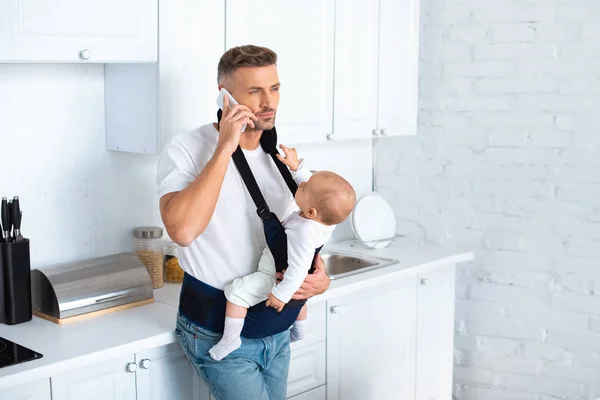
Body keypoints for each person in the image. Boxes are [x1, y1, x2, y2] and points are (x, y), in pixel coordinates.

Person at [157, 45, 333, 399]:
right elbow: (183, 230)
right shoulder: (187, 149)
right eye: (255, 91)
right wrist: (225, 146)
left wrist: (319, 277)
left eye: (275, 88)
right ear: (225, 97)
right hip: (217, 329)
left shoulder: (279, 155)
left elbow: (298, 232)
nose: (269, 102)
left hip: (276, 326)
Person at [208, 144, 356, 361]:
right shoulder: (323, 219)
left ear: (311, 211)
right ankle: (300, 330)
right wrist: (297, 167)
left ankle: (231, 339)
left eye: (303, 187)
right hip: (294, 272)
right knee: (301, 299)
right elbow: (313, 189)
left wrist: (281, 294)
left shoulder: (304, 232)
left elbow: (296, 270)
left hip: (275, 274)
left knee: (237, 292)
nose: (301, 184)